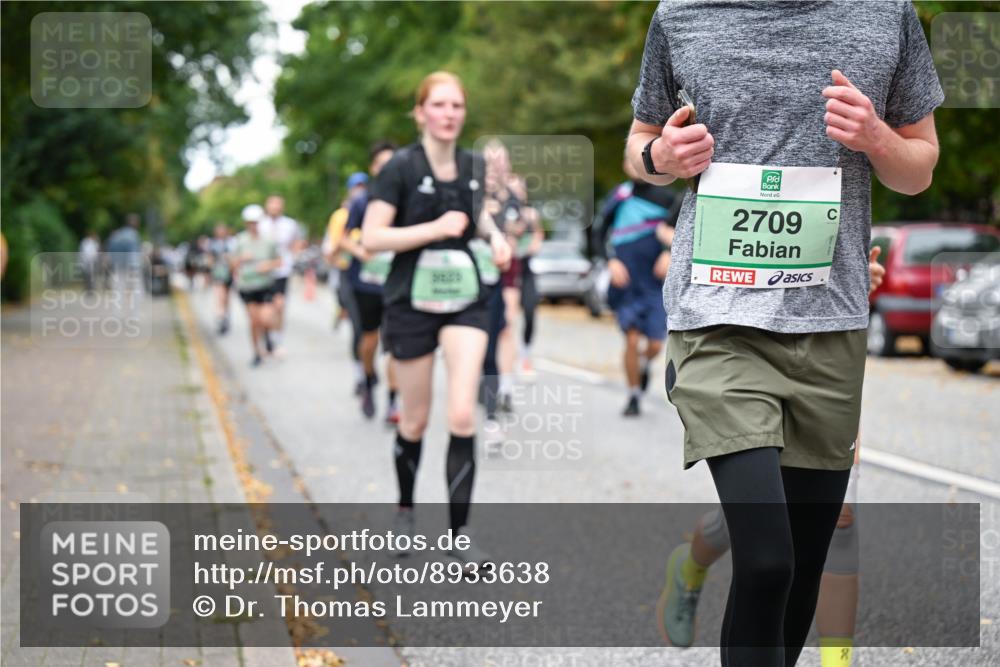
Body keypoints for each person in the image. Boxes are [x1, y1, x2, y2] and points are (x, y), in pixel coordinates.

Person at [628, 2, 943, 664]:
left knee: (798, 573)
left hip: (829, 327)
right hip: (718, 320)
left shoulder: (886, 14)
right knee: (767, 559)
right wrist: (661, 155)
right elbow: (639, 146)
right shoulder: (682, 14)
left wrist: (877, 138)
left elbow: (918, 167)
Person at [657, 251, 886, 667]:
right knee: (768, 558)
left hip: (829, 334)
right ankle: (690, 565)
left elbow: (915, 183)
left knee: (822, 538)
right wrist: (662, 177)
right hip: (725, 327)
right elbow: (649, 183)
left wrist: (846, 266)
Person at [361, 71, 510, 571]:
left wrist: (495, 237)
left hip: (465, 298)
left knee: (463, 414)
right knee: (416, 418)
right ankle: (405, 510)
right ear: (421, 111)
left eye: (457, 106)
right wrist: (433, 229)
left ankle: (459, 537)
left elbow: (477, 217)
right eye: (440, 105)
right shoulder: (400, 168)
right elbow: (373, 238)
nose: (449, 114)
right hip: (409, 303)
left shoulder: (472, 166)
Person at [596, 154, 678, 416]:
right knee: (631, 339)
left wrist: (668, 252)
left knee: (655, 344)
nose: (632, 166)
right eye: (627, 161)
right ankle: (633, 396)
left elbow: (681, 231)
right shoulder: (619, 196)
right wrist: (611, 262)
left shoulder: (669, 197)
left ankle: (643, 365)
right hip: (627, 281)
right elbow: (597, 232)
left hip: (656, 284)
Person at [340, 142, 401, 422]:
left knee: (395, 344)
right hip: (365, 283)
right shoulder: (362, 201)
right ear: (373, 168)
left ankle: (392, 403)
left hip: (396, 282)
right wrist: (361, 251)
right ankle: (367, 378)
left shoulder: (407, 198)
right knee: (369, 341)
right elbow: (342, 237)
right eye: (381, 164)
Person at [233, 204, 281, 367]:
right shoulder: (240, 240)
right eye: (250, 222)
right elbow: (232, 264)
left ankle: (267, 336)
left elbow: (279, 261)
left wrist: (268, 265)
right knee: (254, 321)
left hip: (265, 285)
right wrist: (240, 259)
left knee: (266, 319)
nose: (253, 225)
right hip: (247, 286)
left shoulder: (269, 241)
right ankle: (256, 353)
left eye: (256, 222)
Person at [258, 194, 305, 356]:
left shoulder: (290, 224)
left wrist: (294, 255)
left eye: (278, 205)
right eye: (272, 205)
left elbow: (297, 243)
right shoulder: (260, 225)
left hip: (282, 271)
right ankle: (266, 337)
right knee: (264, 310)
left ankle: (277, 339)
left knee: (279, 305)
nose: (275, 208)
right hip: (263, 272)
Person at [208, 223, 236, 335]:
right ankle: (220, 317)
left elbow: (235, 258)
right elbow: (210, 259)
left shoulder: (231, 243)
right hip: (218, 273)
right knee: (220, 296)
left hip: (229, 272)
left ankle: (226, 316)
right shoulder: (213, 244)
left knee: (227, 297)